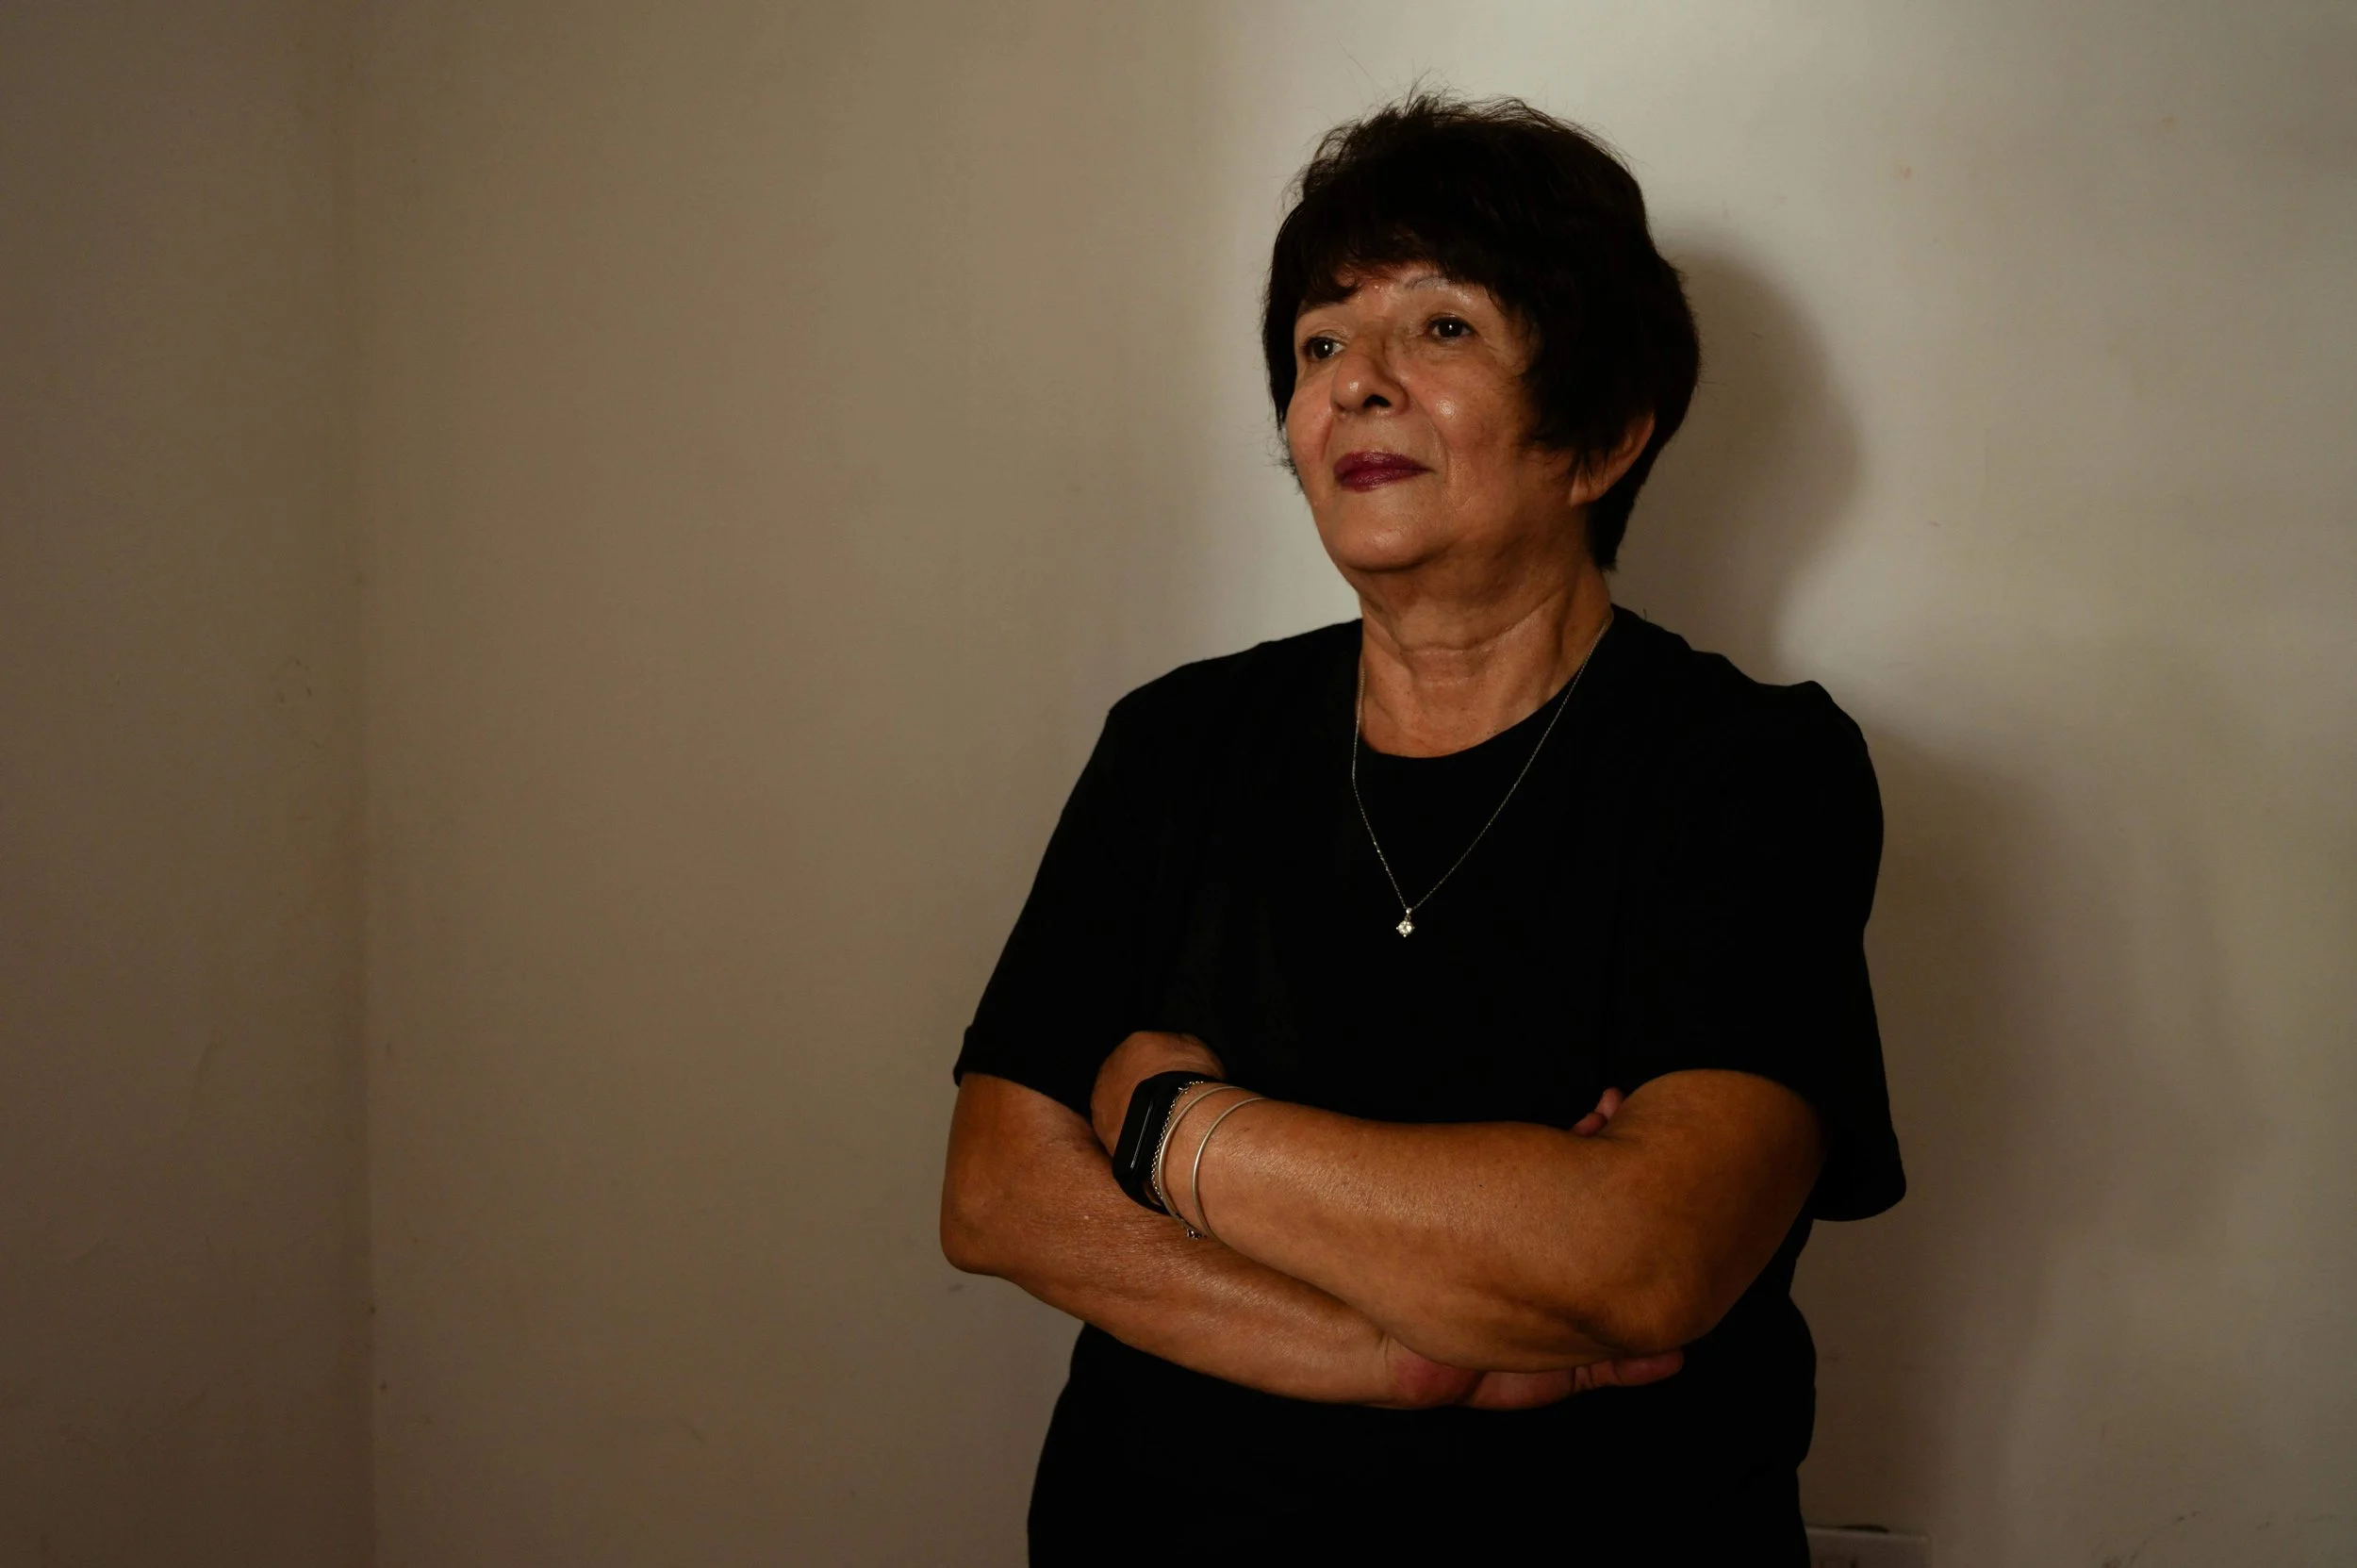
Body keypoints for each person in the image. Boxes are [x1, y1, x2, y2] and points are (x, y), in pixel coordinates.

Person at [939, 92, 1903, 1563]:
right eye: (1322, 343)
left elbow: (1644, 1255)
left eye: (1441, 327)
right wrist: (1405, 1352)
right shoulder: (1179, 741)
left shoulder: (1751, 768)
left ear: (1603, 436)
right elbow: (1001, 1191)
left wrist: (1166, 1124)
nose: (1357, 385)